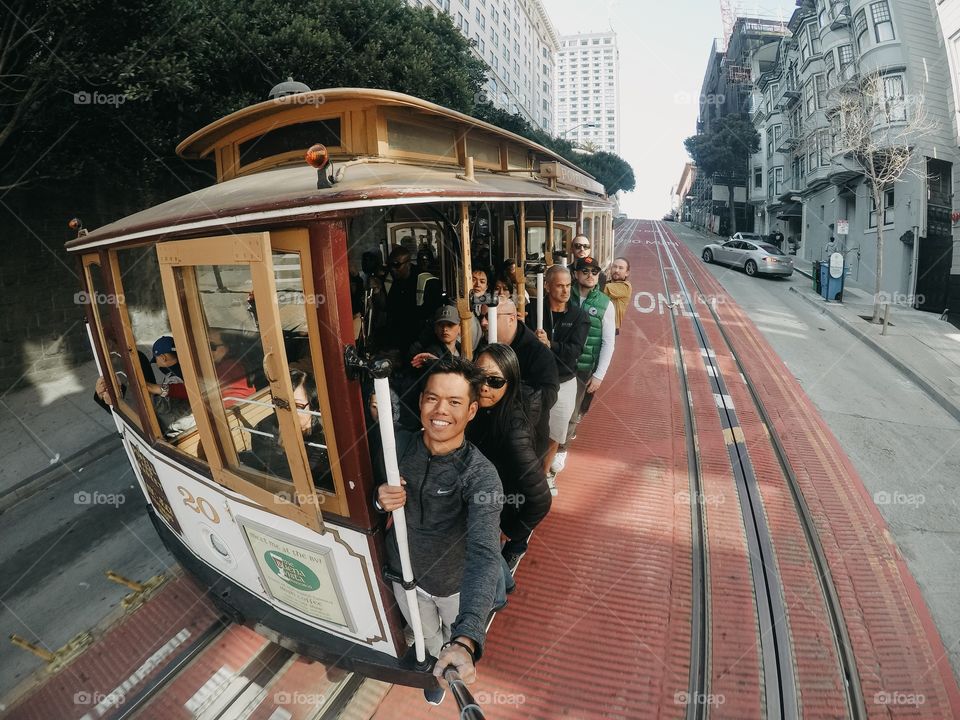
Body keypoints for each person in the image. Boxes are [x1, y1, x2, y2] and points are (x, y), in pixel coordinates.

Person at [376, 356, 503, 699]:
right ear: (420, 401)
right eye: (433, 398)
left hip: (452, 585)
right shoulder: (396, 449)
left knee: (449, 634)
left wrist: (466, 641)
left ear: (472, 411)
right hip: (405, 576)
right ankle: (436, 668)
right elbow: (364, 499)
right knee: (427, 636)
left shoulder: (480, 475)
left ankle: (449, 665)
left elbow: (484, 553)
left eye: (455, 402)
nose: (440, 410)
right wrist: (379, 500)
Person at [468, 344, 552, 576]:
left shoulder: (513, 432)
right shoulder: (486, 409)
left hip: (504, 507)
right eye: (478, 377)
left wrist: (511, 531)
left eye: (495, 381)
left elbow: (541, 500)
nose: (484, 387)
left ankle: (514, 551)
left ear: (510, 383)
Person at [525, 266, 589, 478]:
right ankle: (528, 470)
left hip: (564, 381)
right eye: (560, 285)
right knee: (530, 428)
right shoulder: (532, 310)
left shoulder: (579, 316)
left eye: (568, 285)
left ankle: (543, 474)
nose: (565, 290)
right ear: (547, 286)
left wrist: (550, 344)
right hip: (535, 381)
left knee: (556, 431)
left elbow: (575, 351)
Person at [244, 369, 333, 492]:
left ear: (314, 407)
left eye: (297, 406)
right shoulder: (264, 433)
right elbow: (285, 487)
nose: (288, 413)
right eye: (282, 404)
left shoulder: (325, 431)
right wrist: (284, 451)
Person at [491, 299, 559, 458]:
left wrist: (508, 392)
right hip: (493, 437)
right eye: (482, 317)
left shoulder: (538, 352)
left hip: (527, 441)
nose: (484, 322)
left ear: (511, 318)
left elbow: (549, 395)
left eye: (491, 316)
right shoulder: (484, 346)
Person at [565, 256, 616, 450]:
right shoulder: (565, 294)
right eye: (585, 271)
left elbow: (608, 342)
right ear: (576, 274)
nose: (590, 275)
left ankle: (561, 451)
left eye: (595, 272)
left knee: (574, 411)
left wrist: (599, 375)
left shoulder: (605, 304)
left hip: (584, 368)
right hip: (561, 361)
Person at [383, 245, 421, 352]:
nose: (392, 269)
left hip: (417, 338)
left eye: (396, 265)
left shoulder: (420, 280)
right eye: (390, 265)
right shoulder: (390, 280)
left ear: (408, 263)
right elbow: (386, 308)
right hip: (397, 335)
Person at [603, 257, 632, 335]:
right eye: (614, 266)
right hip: (599, 324)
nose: (616, 270)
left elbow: (602, 289)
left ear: (627, 273)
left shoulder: (625, 287)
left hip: (610, 327)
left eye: (621, 268)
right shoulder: (608, 282)